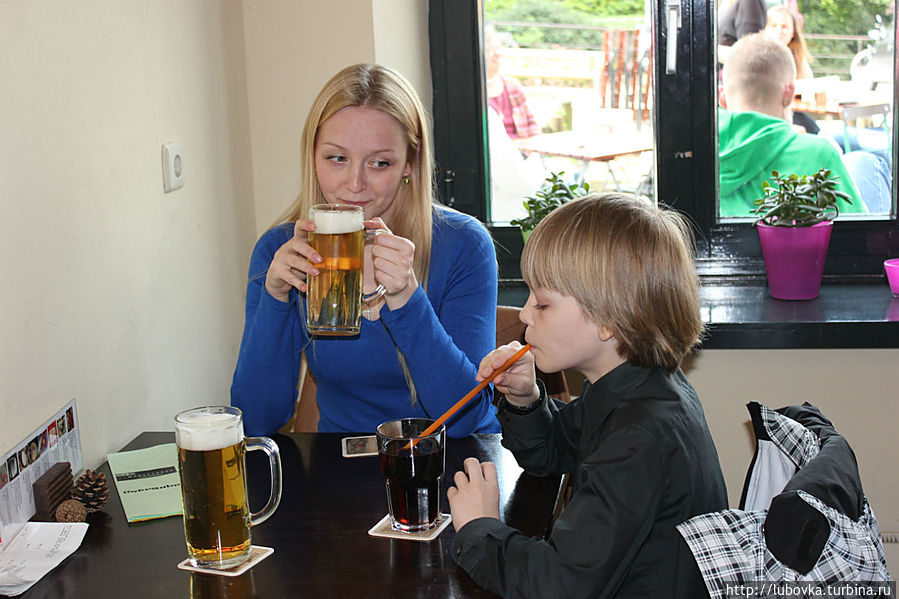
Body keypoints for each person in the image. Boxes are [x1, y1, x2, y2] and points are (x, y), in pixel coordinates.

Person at [447, 193, 728, 598]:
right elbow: (552, 454)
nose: (524, 315)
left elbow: (559, 585)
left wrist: (479, 529)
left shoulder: (640, 435)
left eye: (542, 303)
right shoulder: (637, 386)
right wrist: (524, 399)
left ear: (607, 319)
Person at [231, 64, 501, 437]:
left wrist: (407, 299)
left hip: (453, 462)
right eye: (337, 158)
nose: (354, 184)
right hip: (342, 465)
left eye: (379, 163)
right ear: (312, 156)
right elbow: (258, 419)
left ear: (410, 163)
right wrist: (275, 299)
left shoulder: (463, 244)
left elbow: (464, 420)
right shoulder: (280, 251)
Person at [718, 33, 868, 216]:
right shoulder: (820, 154)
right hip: (800, 245)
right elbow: (860, 229)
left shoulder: (700, 152)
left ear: (722, 98)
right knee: (866, 162)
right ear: (789, 93)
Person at [485, 26, 540, 140]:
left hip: (522, 152)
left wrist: (535, 152)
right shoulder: (474, 93)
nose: (498, 54)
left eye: (498, 48)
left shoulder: (512, 86)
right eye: (491, 50)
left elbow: (532, 126)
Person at [765, 5, 813, 80]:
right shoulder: (755, 58)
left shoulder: (800, 62)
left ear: (793, 33)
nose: (779, 30)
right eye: (773, 26)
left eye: (784, 26)